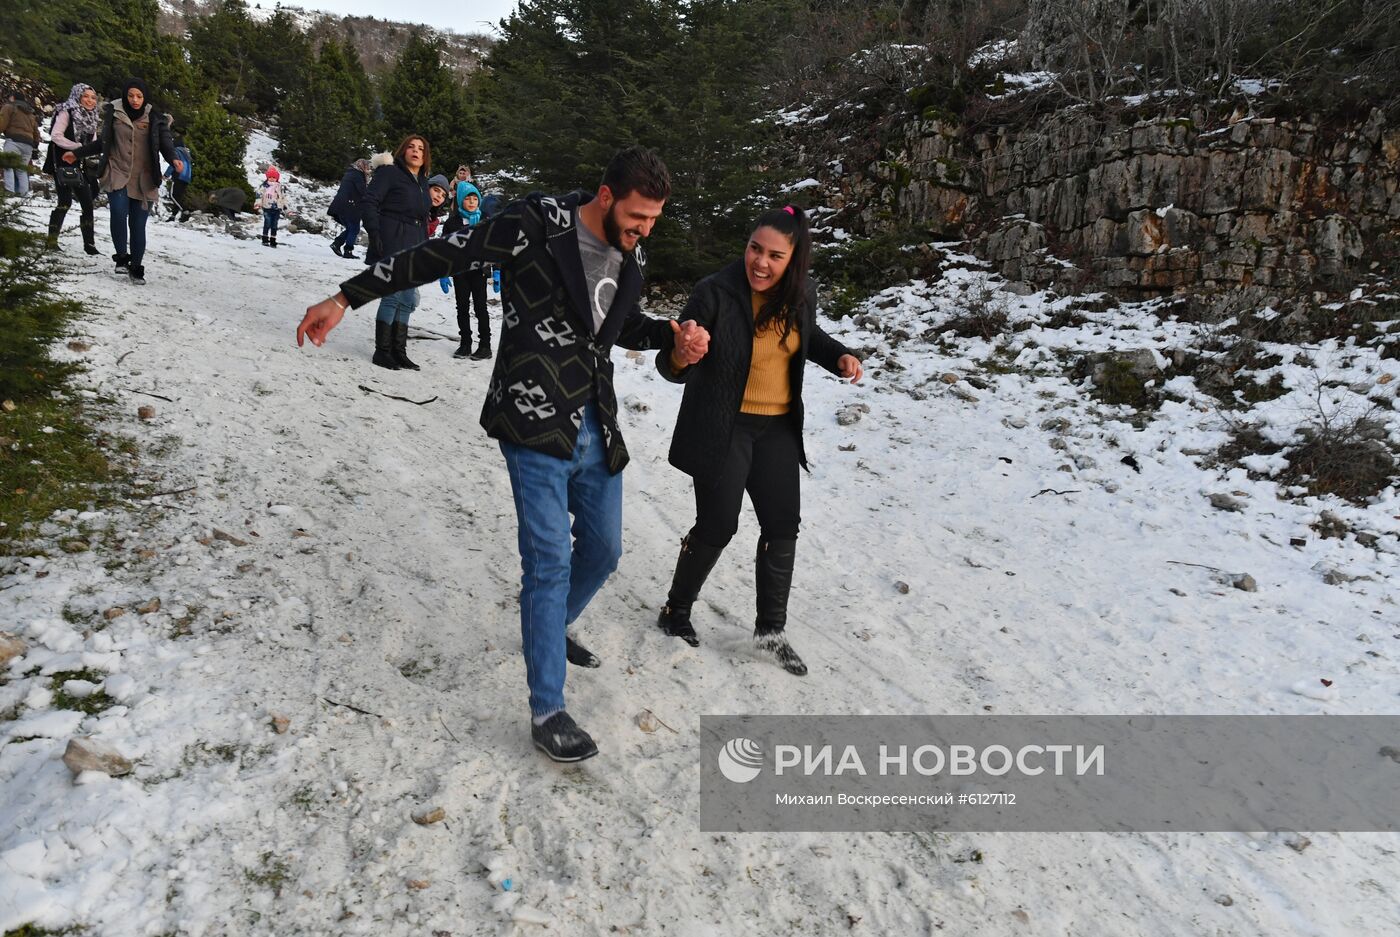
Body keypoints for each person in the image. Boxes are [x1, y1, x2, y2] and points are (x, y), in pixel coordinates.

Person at [295, 146, 711, 762]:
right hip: (532, 417)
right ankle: (549, 709)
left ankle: (550, 625)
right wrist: (346, 296)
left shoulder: (631, 250)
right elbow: (440, 253)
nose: (645, 230)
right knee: (548, 560)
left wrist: (675, 345)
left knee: (604, 549)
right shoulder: (534, 224)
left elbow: (617, 326)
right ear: (605, 195)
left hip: (596, 421)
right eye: (638, 217)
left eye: (653, 220)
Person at [655, 205, 863, 676]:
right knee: (718, 525)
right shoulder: (715, 292)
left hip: (777, 429)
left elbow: (809, 337)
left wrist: (842, 357)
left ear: (794, 260)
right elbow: (673, 362)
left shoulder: (801, 293)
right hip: (724, 427)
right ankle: (676, 610)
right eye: (754, 249)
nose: (761, 263)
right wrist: (682, 355)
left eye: (775, 255)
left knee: (783, 524)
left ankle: (771, 632)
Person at [73, 79, 183, 285]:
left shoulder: (155, 118)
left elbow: (166, 143)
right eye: (131, 95)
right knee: (118, 211)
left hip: (144, 177)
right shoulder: (114, 113)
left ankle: (136, 267)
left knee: (138, 224)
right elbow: (103, 142)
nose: (134, 100)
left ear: (145, 98)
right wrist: (77, 154)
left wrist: (173, 159)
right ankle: (122, 257)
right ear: (125, 95)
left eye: (139, 96)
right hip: (118, 172)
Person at [361, 136, 432, 371]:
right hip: (392, 236)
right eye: (411, 147)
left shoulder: (422, 182)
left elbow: (423, 218)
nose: (416, 151)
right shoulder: (390, 172)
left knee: (407, 296)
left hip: (414, 242)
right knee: (392, 295)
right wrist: (374, 231)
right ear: (403, 151)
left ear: (425, 156)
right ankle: (382, 351)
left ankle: (398, 351)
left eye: (421, 149)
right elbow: (370, 200)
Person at [43, 82, 101, 253]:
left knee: (88, 202)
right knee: (64, 201)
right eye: (85, 96)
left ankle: (89, 245)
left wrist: (87, 152)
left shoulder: (92, 117)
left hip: (81, 164)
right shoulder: (66, 111)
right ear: (77, 96)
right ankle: (52, 241)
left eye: (93, 98)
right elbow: (56, 136)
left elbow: (93, 143)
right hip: (62, 162)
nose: (90, 101)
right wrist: (77, 148)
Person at [444, 180, 492, 360]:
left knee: (481, 307)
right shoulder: (452, 222)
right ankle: (465, 343)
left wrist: (497, 270)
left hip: (479, 271)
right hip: (460, 272)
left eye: (475, 198)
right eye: (468, 199)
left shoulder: (485, 219)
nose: (472, 202)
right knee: (462, 307)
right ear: (460, 201)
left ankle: (485, 345)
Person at [0, 92, 40, 196]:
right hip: (28, 144)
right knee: (21, 169)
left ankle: (9, 191)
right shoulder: (30, 113)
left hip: (14, 141)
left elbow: (2, 122)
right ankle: (23, 194)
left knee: (8, 166)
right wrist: (35, 145)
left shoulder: (9, 107)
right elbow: (36, 132)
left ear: (13, 98)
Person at [256, 165, 287, 247]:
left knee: (274, 225)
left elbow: (283, 198)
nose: (272, 178)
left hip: (277, 209)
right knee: (267, 223)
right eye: (270, 177)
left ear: (277, 178)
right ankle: (265, 239)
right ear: (267, 177)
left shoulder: (280, 187)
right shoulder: (264, 186)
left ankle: (273, 240)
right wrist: (258, 204)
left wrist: (286, 208)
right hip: (267, 208)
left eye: (274, 177)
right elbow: (259, 195)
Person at [165, 132, 194, 221]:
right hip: (187, 176)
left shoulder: (176, 151)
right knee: (179, 196)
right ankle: (173, 216)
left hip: (179, 175)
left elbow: (174, 163)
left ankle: (185, 212)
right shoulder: (186, 153)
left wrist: (166, 174)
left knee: (173, 196)